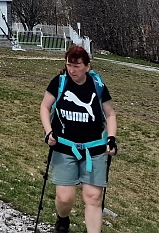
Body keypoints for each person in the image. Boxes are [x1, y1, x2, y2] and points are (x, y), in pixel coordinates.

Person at [40, 45, 117, 233]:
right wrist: (49, 132)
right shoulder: (59, 83)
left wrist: (111, 138)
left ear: (87, 67)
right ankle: (62, 219)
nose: (72, 70)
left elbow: (110, 114)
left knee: (93, 197)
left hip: (94, 149)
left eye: (77, 66)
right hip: (64, 147)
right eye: (69, 65)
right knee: (64, 198)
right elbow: (45, 107)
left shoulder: (97, 86)